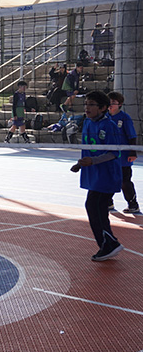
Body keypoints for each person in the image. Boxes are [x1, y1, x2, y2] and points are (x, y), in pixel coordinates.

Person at [70, 91, 125, 261]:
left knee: (95, 206)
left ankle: (109, 244)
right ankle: (108, 243)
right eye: (86, 104)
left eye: (91, 104)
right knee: (95, 207)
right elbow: (89, 148)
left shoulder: (109, 126)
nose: (87, 107)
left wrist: (93, 161)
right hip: (94, 174)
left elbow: (114, 153)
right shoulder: (87, 122)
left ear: (102, 108)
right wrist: (80, 164)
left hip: (107, 174)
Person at [107, 91, 139, 213]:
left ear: (119, 104)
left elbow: (132, 136)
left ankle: (133, 205)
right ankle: (108, 203)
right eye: (109, 102)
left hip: (124, 156)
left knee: (125, 181)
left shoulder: (124, 118)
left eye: (114, 102)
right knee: (108, 179)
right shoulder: (105, 117)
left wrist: (132, 152)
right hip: (109, 156)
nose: (111, 104)